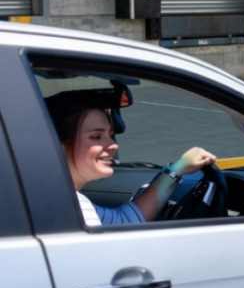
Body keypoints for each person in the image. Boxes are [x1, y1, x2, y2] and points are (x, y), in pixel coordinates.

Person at [45, 90, 217, 226]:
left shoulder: (56, 199)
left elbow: (125, 219)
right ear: (57, 146)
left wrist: (177, 169)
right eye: (96, 137)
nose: (113, 145)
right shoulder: (71, 209)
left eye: (110, 135)